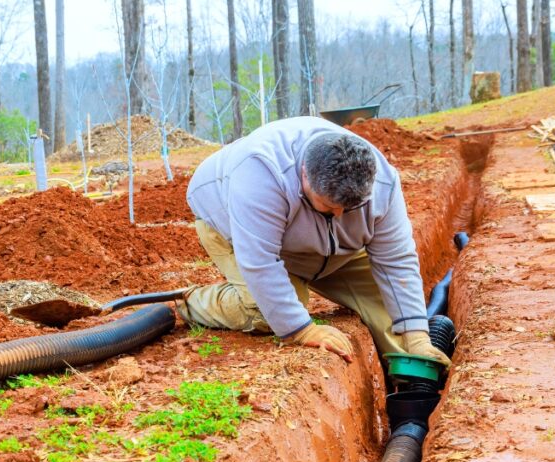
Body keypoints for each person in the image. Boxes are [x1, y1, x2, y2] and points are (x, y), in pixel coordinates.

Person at [180, 116, 451, 368]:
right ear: (305, 175)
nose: (340, 215)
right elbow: (260, 263)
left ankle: (409, 387)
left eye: (351, 208)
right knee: (265, 313)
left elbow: (396, 260)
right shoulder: (261, 176)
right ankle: (192, 302)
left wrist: (418, 339)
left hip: (333, 250)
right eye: (329, 207)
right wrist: (302, 330)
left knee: (395, 319)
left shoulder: (383, 182)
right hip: (231, 224)